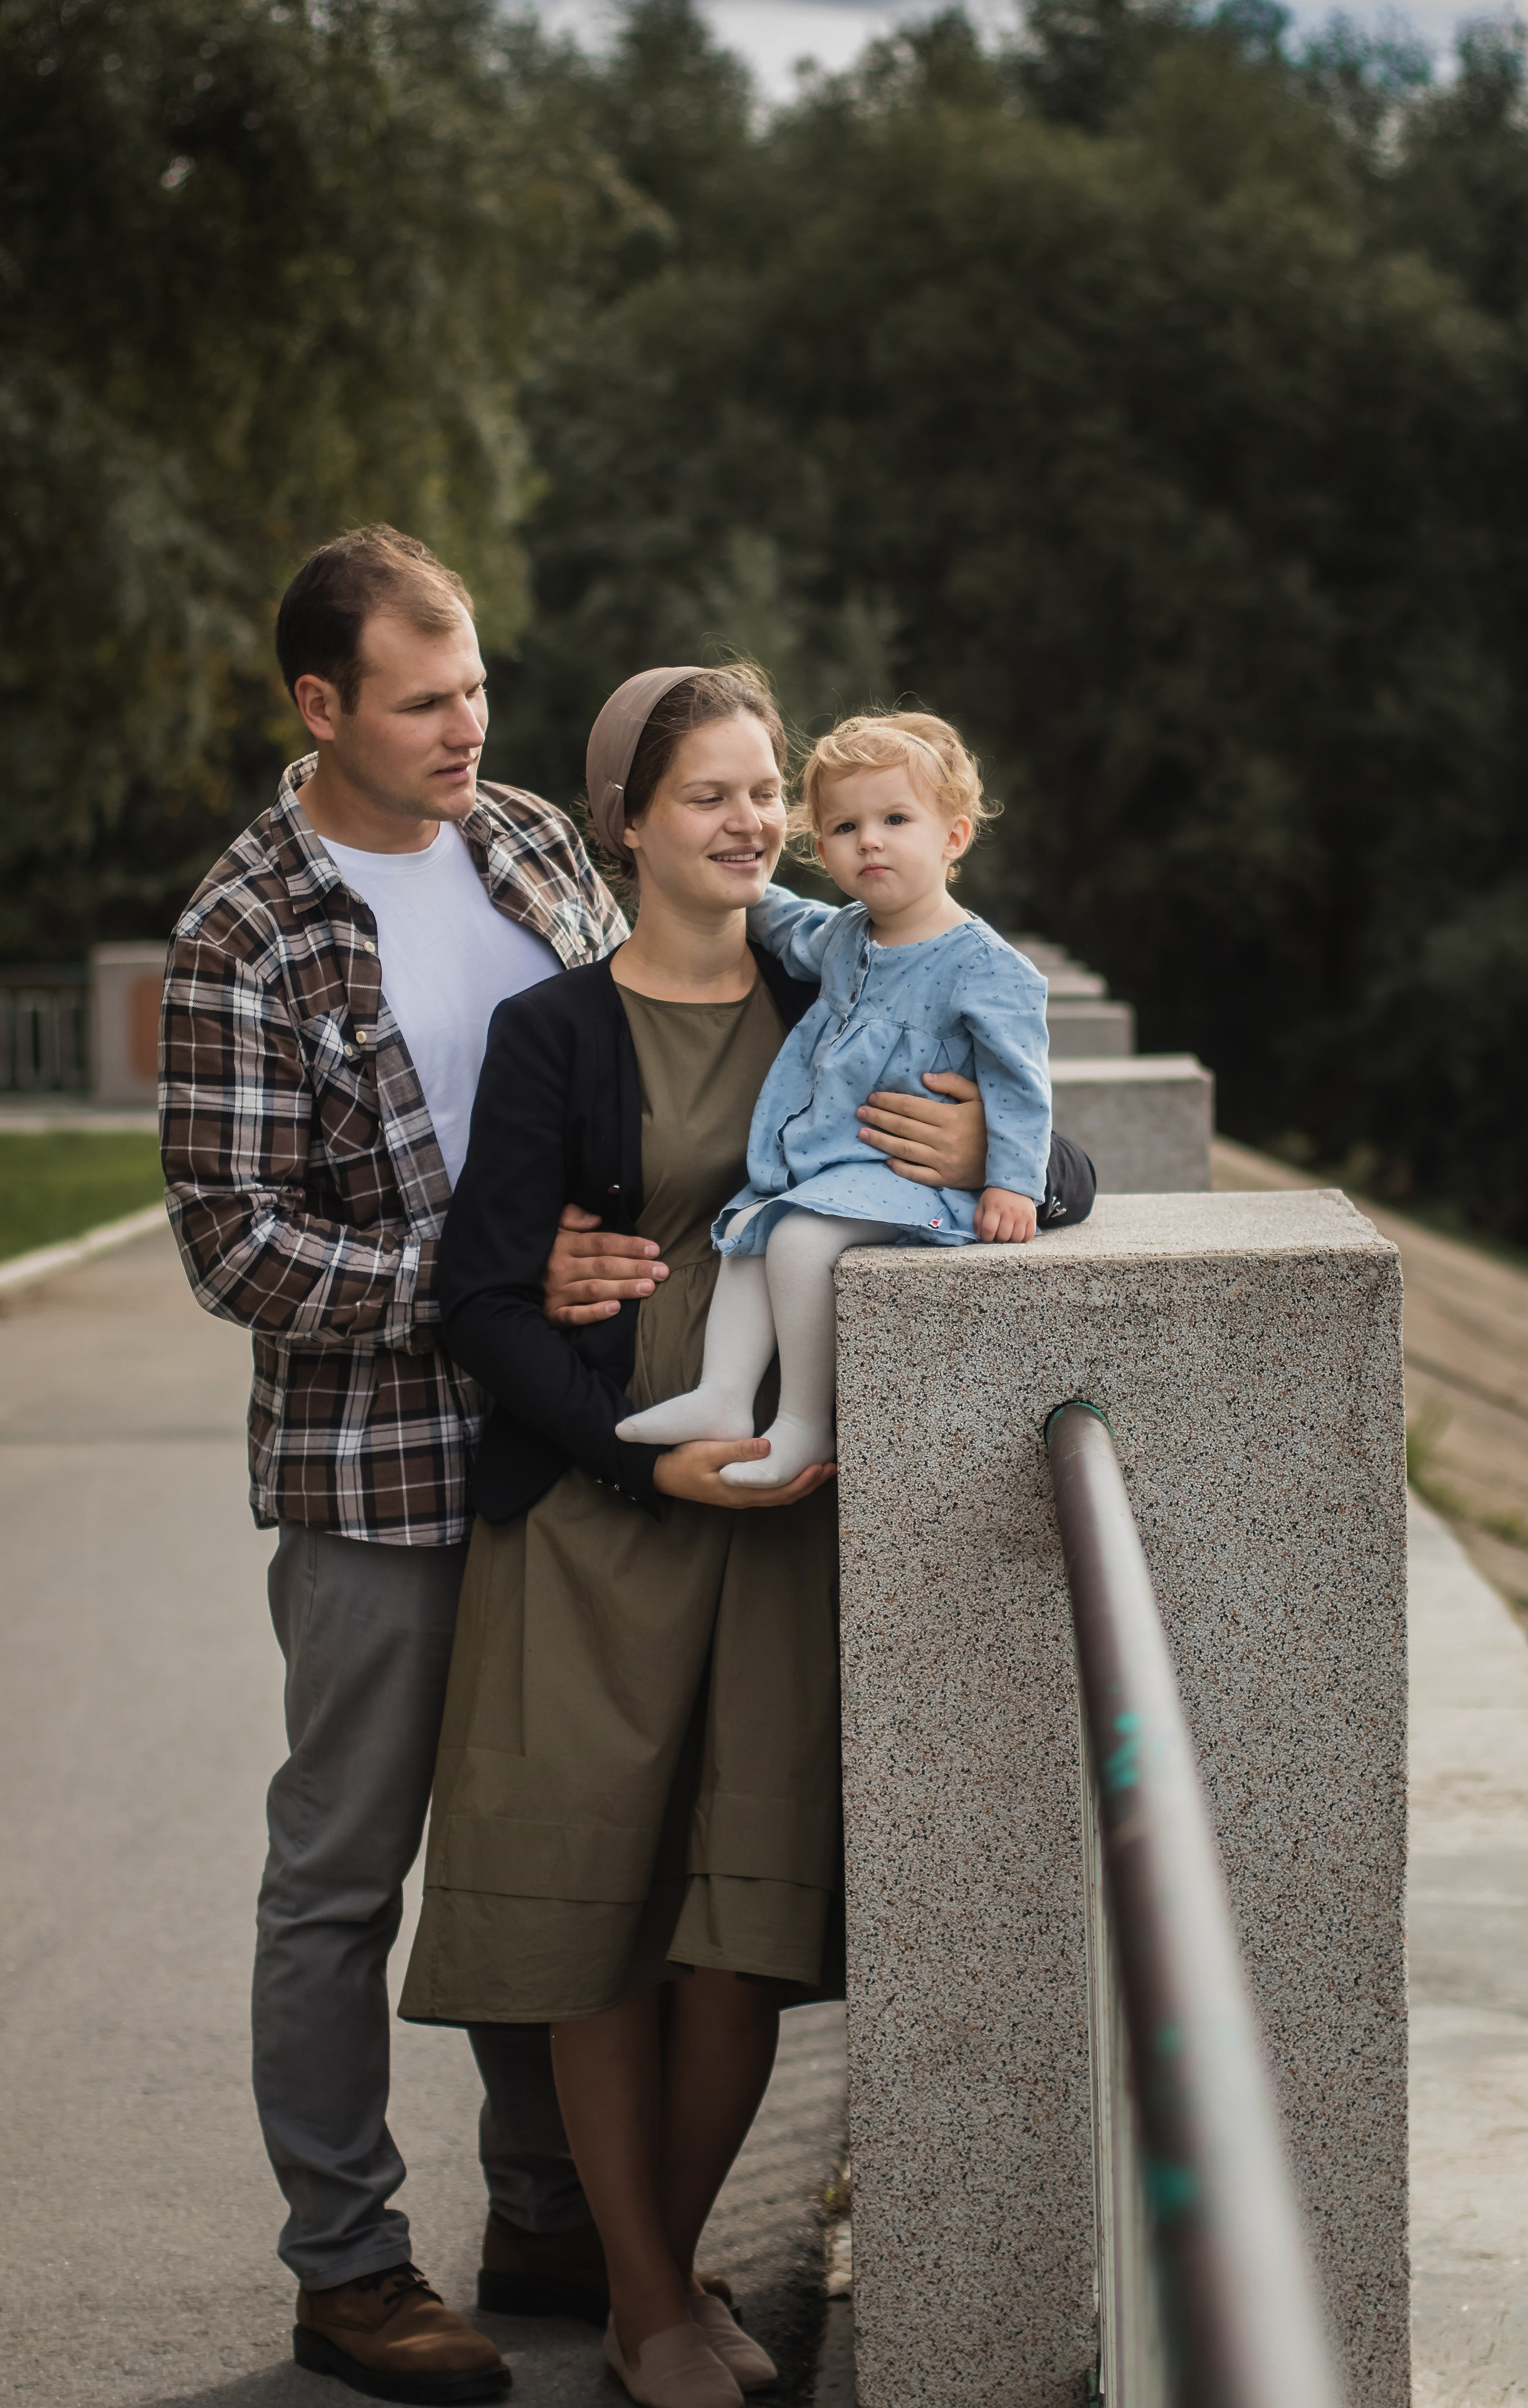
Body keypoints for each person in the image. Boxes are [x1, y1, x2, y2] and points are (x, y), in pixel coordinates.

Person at [159, 551, 1014, 2405]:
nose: (468, 727)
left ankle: (557, 2212)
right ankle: (350, 2263)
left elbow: (847, 951)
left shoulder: (532, 839)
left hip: (580, 1451)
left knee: (574, 1854)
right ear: (320, 710)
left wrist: (1032, 1158)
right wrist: (486, 1277)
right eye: (419, 701)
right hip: (387, 1463)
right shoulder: (246, 927)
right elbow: (231, 1244)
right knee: (351, 1865)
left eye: (472, 687)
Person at [398, 665, 1095, 2408]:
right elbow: (478, 1303)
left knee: (738, 1929)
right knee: (597, 1920)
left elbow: (1040, 1145)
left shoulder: (834, 966)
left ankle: (668, 2254)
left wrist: (998, 1157)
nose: (749, 820)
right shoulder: (555, 1031)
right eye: (705, 793)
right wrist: (644, 1472)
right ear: (626, 822)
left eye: (765, 788)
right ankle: (646, 2301)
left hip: (780, 1515)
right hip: (602, 1508)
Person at [617, 710, 1052, 1486]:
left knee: (796, 1241)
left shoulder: (985, 965)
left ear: (953, 838)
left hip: (908, 1182)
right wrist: (726, 884)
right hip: (832, 1172)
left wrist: (1012, 1180)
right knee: (751, 1228)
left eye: (894, 819)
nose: (869, 841)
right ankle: (723, 1395)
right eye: (845, 827)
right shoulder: (852, 935)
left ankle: (805, 1425)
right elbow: (784, 921)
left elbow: (1023, 1083)